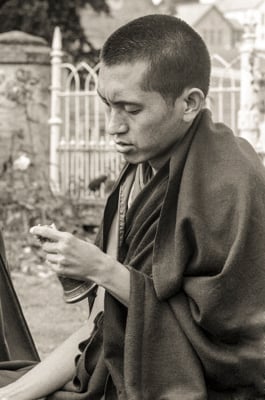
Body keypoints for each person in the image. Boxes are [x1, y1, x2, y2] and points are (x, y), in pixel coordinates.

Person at [0, 13, 265, 400]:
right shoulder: (135, 177)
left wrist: (101, 268)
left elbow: (237, 351)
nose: (113, 126)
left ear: (190, 103)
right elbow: (102, 323)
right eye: (107, 105)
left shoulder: (232, 183)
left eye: (132, 110)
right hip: (115, 373)